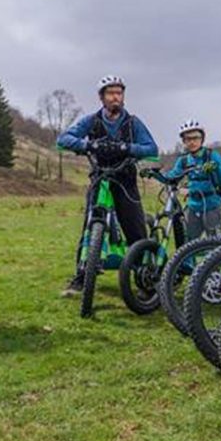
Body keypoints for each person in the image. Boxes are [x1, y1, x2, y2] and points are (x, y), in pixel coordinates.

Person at [57, 74, 158, 295]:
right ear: (102, 97)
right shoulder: (91, 121)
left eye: (119, 93)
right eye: (111, 93)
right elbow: (64, 139)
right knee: (90, 226)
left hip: (125, 180)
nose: (116, 97)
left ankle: (145, 280)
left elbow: (151, 149)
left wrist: (126, 148)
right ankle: (82, 277)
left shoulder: (133, 122)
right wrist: (89, 145)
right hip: (100, 178)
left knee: (135, 230)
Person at [164, 119, 221, 240]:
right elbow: (174, 175)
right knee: (189, 242)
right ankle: (189, 259)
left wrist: (215, 168)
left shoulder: (211, 155)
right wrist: (158, 175)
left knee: (216, 241)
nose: (192, 142)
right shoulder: (183, 160)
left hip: (211, 204)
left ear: (201, 139)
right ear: (184, 141)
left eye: (195, 138)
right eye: (188, 139)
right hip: (193, 206)